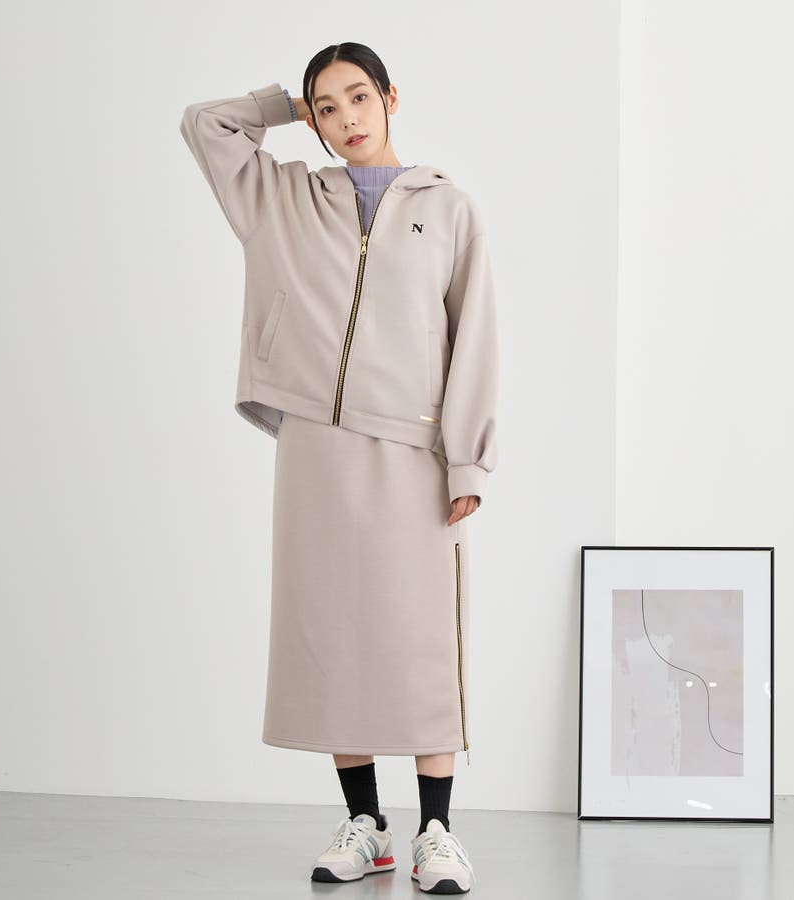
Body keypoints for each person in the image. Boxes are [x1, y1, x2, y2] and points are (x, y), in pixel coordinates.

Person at [179, 41, 498, 894]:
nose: (347, 118)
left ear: (391, 97)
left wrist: (467, 461)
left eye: (359, 97)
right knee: (332, 634)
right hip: (316, 441)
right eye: (328, 106)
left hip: (413, 447)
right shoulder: (283, 198)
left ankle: (437, 830)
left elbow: (474, 337)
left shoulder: (448, 208)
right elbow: (203, 125)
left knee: (421, 638)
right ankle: (367, 824)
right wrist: (284, 105)